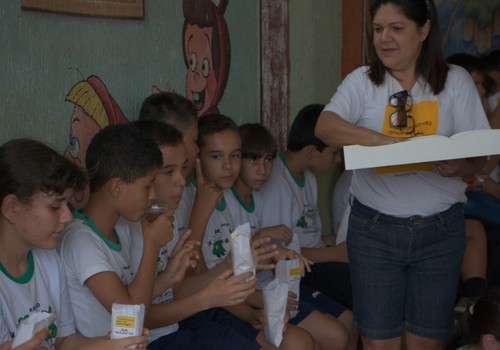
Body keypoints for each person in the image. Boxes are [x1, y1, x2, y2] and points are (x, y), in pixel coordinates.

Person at [315, 0, 491, 349]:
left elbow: (480, 155)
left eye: (397, 28)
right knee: (380, 343)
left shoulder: (454, 82)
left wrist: (462, 166)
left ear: (424, 29)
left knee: (425, 342)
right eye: (379, 29)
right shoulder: (362, 82)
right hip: (374, 232)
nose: (385, 39)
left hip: (440, 232)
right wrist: (381, 142)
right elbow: (325, 126)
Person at [0, 138, 148, 350]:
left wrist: (113, 343)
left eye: (67, 204)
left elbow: (63, 341)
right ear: (12, 208)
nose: (68, 217)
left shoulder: (49, 258)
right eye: (54, 206)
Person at [129, 119, 262, 350]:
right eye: (169, 171)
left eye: (183, 169)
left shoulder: (173, 210)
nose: (181, 181)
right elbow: (140, 315)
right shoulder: (130, 229)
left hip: (181, 325)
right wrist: (209, 298)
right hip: (156, 336)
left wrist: (226, 267)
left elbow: (178, 288)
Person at [187, 114, 316, 350]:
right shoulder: (188, 202)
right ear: (196, 157)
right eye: (216, 156)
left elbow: (235, 266)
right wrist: (251, 304)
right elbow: (198, 280)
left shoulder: (227, 197)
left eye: (235, 155)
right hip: (206, 308)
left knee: (306, 341)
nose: (228, 166)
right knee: (300, 343)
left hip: (232, 298)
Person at [231, 122, 362, 350]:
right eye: (253, 160)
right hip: (255, 292)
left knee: (346, 326)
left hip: (274, 284)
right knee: (322, 339)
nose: (263, 170)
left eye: (268, 161)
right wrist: (277, 252)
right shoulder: (230, 203)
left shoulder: (259, 199)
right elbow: (233, 267)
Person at [58, 124, 182, 338]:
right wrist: (152, 244)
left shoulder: (120, 228)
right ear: (117, 187)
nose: (152, 195)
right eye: (147, 186)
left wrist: (167, 278)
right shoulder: (80, 241)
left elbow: (130, 296)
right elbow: (133, 318)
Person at [259, 104, 352, 311]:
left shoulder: (309, 177)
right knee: (354, 283)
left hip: (317, 256)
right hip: (298, 268)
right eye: (334, 153)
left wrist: (333, 244)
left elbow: (310, 233)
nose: (338, 160)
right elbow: (277, 254)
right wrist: (336, 254)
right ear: (311, 151)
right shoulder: (277, 183)